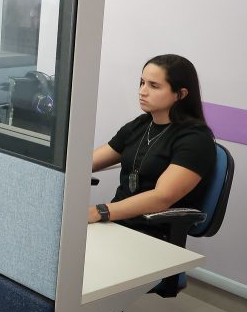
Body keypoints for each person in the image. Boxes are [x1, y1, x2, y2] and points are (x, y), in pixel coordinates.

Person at [87, 54, 215, 228]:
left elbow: (162, 197)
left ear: (180, 94)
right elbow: (89, 162)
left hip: (151, 232)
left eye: (153, 86)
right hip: (115, 222)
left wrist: (100, 211)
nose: (142, 91)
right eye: (142, 83)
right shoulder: (140, 124)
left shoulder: (196, 139)